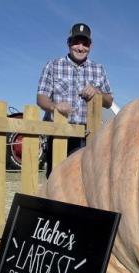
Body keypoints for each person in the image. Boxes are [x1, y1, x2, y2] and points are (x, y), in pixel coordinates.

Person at [37, 23, 113, 177]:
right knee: (56, 181)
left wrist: (98, 92)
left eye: (85, 43)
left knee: (85, 183)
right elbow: (41, 98)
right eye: (76, 42)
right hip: (59, 134)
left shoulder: (99, 69)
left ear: (90, 46)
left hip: (88, 138)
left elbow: (109, 101)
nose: (80, 47)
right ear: (69, 43)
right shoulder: (52, 65)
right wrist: (55, 107)